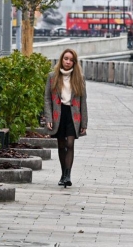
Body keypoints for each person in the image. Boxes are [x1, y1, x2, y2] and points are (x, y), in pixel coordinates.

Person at [44, 48, 88, 187]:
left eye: (71, 60)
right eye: (66, 59)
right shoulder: (52, 77)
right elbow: (47, 99)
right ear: (61, 59)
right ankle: (63, 174)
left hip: (73, 114)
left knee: (70, 144)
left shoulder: (79, 78)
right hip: (58, 114)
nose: (68, 62)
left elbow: (83, 101)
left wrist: (84, 122)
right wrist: (49, 118)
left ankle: (68, 175)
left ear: (74, 62)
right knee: (61, 145)